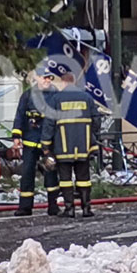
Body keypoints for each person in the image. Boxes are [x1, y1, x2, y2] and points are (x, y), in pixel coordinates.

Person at [42, 65, 101, 219]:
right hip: (83, 145)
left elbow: (48, 124)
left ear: (63, 83)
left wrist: (46, 145)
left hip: (63, 147)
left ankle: (70, 209)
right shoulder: (87, 98)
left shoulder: (56, 99)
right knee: (84, 178)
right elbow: (96, 120)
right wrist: (90, 134)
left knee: (66, 179)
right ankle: (86, 208)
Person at [11, 63, 58, 217]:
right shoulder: (27, 95)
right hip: (31, 141)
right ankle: (25, 207)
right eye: (45, 77)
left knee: (50, 172)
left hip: (48, 142)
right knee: (27, 173)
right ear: (37, 78)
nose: (47, 80)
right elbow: (20, 116)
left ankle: (53, 205)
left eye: (50, 78)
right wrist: (16, 137)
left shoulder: (55, 95)